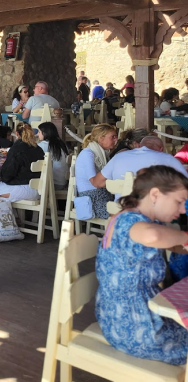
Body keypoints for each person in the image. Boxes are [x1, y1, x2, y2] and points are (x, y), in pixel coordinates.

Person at [96, 165, 188, 365]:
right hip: (133, 326)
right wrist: (185, 237)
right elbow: (152, 236)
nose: (183, 209)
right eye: (179, 202)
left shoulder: (134, 218)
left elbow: (171, 244)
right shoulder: (130, 221)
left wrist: (183, 244)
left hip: (122, 316)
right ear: (155, 195)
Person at [91, 136, 188, 198]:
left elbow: (97, 182)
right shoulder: (167, 158)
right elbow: (185, 183)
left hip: (121, 209)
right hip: (154, 213)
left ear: (139, 146)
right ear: (161, 149)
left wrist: (121, 183)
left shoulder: (119, 157)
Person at [0, 123, 44, 202]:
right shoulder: (39, 149)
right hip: (39, 190)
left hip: (23, 191)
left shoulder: (16, 149)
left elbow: (7, 175)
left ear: (17, 134)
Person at [74, 124, 118, 219]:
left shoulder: (103, 154)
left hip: (102, 194)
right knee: (124, 213)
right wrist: (116, 182)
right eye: (113, 137)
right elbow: (94, 182)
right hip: (92, 198)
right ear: (101, 138)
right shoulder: (88, 154)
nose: (116, 140)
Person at [35, 122, 69, 190]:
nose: (37, 134)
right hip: (63, 181)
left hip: (53, 183)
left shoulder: (43, 145)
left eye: (39, 132)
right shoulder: (61, 143)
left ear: (45, 133)